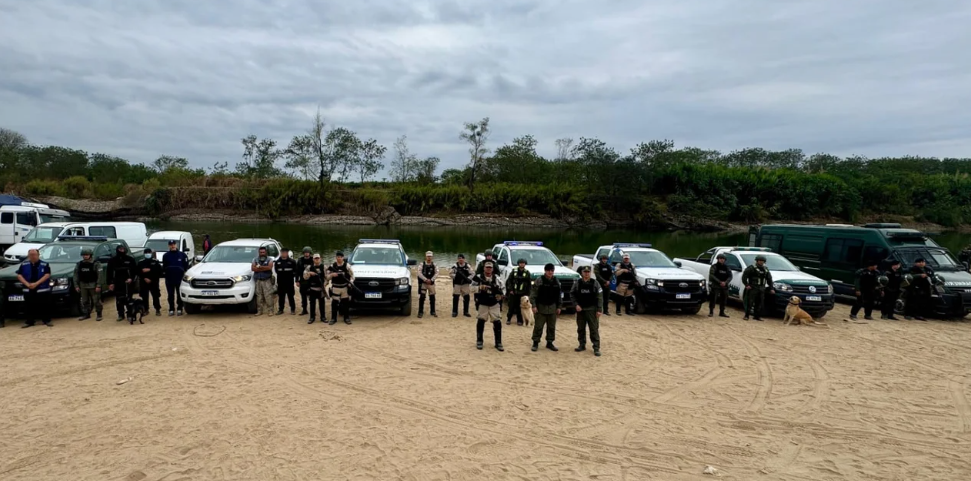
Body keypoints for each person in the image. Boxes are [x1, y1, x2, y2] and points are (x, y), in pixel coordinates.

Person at [471, 261, 504, 351]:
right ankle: (479, 341)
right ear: (484, 268)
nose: (488, 269)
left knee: (497, 322)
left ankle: (498, 343)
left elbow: (503, 289)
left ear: (493, 269)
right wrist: (479, 288)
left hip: (494, 303)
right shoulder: (478, 278)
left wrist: (500, 295)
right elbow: (471, 288)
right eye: (487, 267)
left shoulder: (497, 278)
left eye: (490, 268)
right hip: (482, 302)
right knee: (481, 321)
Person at [529, 263, 562, 352]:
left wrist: (559, 306)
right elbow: (533, 294)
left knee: (551, 327)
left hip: (552, 308)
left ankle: (550, 342)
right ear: (545, 271)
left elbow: (559, 295)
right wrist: (534, 306)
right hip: (541, 307)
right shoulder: (539, 280)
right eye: (548, 270)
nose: (550, 272)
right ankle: (535, 342)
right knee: (538, 326)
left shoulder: (556, 281)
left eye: (552, 270)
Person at [571, 266, 603, 356]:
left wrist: (599, 309)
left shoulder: (595, 283)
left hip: (592, 310)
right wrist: (576, 305)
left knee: (594, 329)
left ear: (590, 273)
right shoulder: (578, 283)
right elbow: (572, 294)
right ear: (582, 273)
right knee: (581, 329)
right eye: (585, 272)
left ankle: (596, 347)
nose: (586, 273)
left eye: (588, 272)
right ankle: (582, 345)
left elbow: (600, 297)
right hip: (581, 310)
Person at [17, 248, 52, 328]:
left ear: (38, 255)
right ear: (28, 256)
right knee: (28, 306)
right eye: (31, 255)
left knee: (44, 306)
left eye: (35, 254)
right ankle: (29, 321)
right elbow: (19, 275)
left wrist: (36, 284)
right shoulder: (23, 265)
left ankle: (46, 321)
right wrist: (27, 284)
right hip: (28, 288)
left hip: (42, 289)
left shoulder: (45, 264)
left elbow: (47, 275)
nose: (33, 256)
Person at [107, 244, 137, 322]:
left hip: (128, 283)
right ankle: (120, 314)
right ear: (117, 250)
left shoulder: (130, 259)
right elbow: (109, 273)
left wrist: (131, 279)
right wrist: (110, 283)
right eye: (120, 249)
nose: (122, 250)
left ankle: (130, 314)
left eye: (123, 249)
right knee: (119, 299)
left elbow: (135, 271)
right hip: (117, 282)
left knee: (129, 299)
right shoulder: (112, 260)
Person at [73, 247, 104, 321]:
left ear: (90, 255)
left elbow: (100, 275)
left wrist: (98, 285)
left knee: (96, 300)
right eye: (84, 255)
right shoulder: (79, 264)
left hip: (93, 285)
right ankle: (86, 314)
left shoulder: (96, 264)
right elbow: (76, 275)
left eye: (87, 255)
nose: (85, 256)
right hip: (83, 285)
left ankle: (99, 314)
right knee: (84, 301)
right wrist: (76, 285)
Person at [741, 255, 775, 321]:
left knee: (759, 303)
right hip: (753, 287)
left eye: (762, 261)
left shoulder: (766, 269)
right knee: (750, 302)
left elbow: (769, 279)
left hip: (762, 288)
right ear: (757, 261)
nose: (761, 262)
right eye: (760, 261)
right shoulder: (751, 268)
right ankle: (746, 315)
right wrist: (747, 285)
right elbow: (744, 277)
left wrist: (771, 288)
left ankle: (757, 316)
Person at [162, 239, 189, 316]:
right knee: (170, 294)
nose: (172, 245)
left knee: (179, 294)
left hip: (179, 278)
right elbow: (164, 267)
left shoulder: (182, 255)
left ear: (176, 245)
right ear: (169, 246)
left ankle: (180, 308)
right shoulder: (166, 255)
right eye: (171, 244)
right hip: (169, 278)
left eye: (173, 244)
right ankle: (171, 309)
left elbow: (186, 266)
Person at [327, 251, 354, 325]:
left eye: (340, 257)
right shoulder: (332, 266)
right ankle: (333, 318)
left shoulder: (347, 266)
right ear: (336, 257)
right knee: (334, 304)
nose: (339, 258)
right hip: (335, 287)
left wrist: (350, 283)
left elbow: (352, 276)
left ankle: (346, 318)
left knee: (345, 303)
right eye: (338, 257)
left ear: (343, 257)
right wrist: (332, 274)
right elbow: (327, 277)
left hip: (344, 287)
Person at [136, 247, 163, 316]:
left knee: (156, 296)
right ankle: (146, 309)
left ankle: (157, 309)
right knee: (144, 297)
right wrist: (144, 278)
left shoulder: (156, 262)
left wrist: (150, 270)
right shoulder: (141, 262)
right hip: (144, 282)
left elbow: (159, 272)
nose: (147, 254)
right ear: (144, 254)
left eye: (149, 253)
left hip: (153, 282)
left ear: (151, 253)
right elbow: (138, 272)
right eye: (146, 253)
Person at [505, 258, 530, 325]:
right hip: (513, 292)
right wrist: (510, 290)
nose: (522, 264)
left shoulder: (527, 272)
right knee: (511, 306)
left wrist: (527, 293)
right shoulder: (514, 271)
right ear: (518, 264)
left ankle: (520, 320)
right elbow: (509, 281)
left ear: (525, 264)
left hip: (522, 293)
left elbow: (529, 284)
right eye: (520, 263)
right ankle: (508, 319)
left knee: (520, 307)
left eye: (523, 263)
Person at [251, 246, 275, 316]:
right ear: (259, 252)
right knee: (259, 296)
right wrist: (263, 268)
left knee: (268, 296)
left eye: (263, 252)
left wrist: (259, 267)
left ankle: (270, 311)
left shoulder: (269, 259)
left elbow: (269, 267)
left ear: (266, 252)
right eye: (261, 252)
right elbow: (253, 268)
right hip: (258, 280)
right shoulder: (255, 259)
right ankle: (259, 311)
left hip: (267, 280)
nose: (262, 253)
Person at [304, 253, 326, 324]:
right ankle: (312, 317)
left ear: (320, 259)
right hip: (312, 288)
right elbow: (304, 276)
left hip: (321, 289)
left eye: (318, 258)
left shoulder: (324, 267)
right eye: (315, 258)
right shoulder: (309, 267)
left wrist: (324, 285)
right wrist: (309, 273)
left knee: (322, 304)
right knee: (312, 304)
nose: (317, 260)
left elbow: (327, 277)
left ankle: (323, 317)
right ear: (313, 259)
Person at [274, 248, 298, 315]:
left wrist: (294, 279)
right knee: (281, 296)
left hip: (289, 282)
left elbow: (295, 271)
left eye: (285, 252)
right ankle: (281, 309)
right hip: (281, 282)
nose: (284, 254)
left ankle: (293, 309)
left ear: (287, 253)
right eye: (282, 252)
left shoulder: (292, 262)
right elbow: (276, 271)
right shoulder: (277, 262)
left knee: (291, 296)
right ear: (281, 253)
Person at [708, 253, 732, 318]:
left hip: (724, 285)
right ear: (718, 259)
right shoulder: (714, 266)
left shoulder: (726, 267)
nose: (722, 260)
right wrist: (719, 282)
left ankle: (722, 312)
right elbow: (712, 275)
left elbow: (730, 276)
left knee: (724, 299)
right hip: (716, 285)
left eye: (723, 259)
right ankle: (711, 312)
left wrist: (726, 282)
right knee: (713, 299)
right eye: (720, 259)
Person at [417, 251, 438, 318]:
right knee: (422, 297)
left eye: (430, 256)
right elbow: (419, 273)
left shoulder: (434, 264)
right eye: (428, 256)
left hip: (431, 283)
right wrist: (425, 279)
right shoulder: (421, 264)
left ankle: (433, 311)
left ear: (432, 257)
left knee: (432, 297)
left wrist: (431, 279)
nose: (429, 257)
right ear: (425, 256)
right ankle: (420, 312)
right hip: (423, 283)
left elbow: (437, 273)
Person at [296, 246, 315, 315]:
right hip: (302, 280)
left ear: (310, 253)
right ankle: (304, 310)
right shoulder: (300, 260)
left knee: (312, 296)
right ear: (303, 253)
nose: (306, 254)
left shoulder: (313, 260)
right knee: (303, 296)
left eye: (308, 252)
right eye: (305, 252)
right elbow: (297, 271)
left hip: (311, 280)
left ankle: (313, 310)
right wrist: (297, 280)